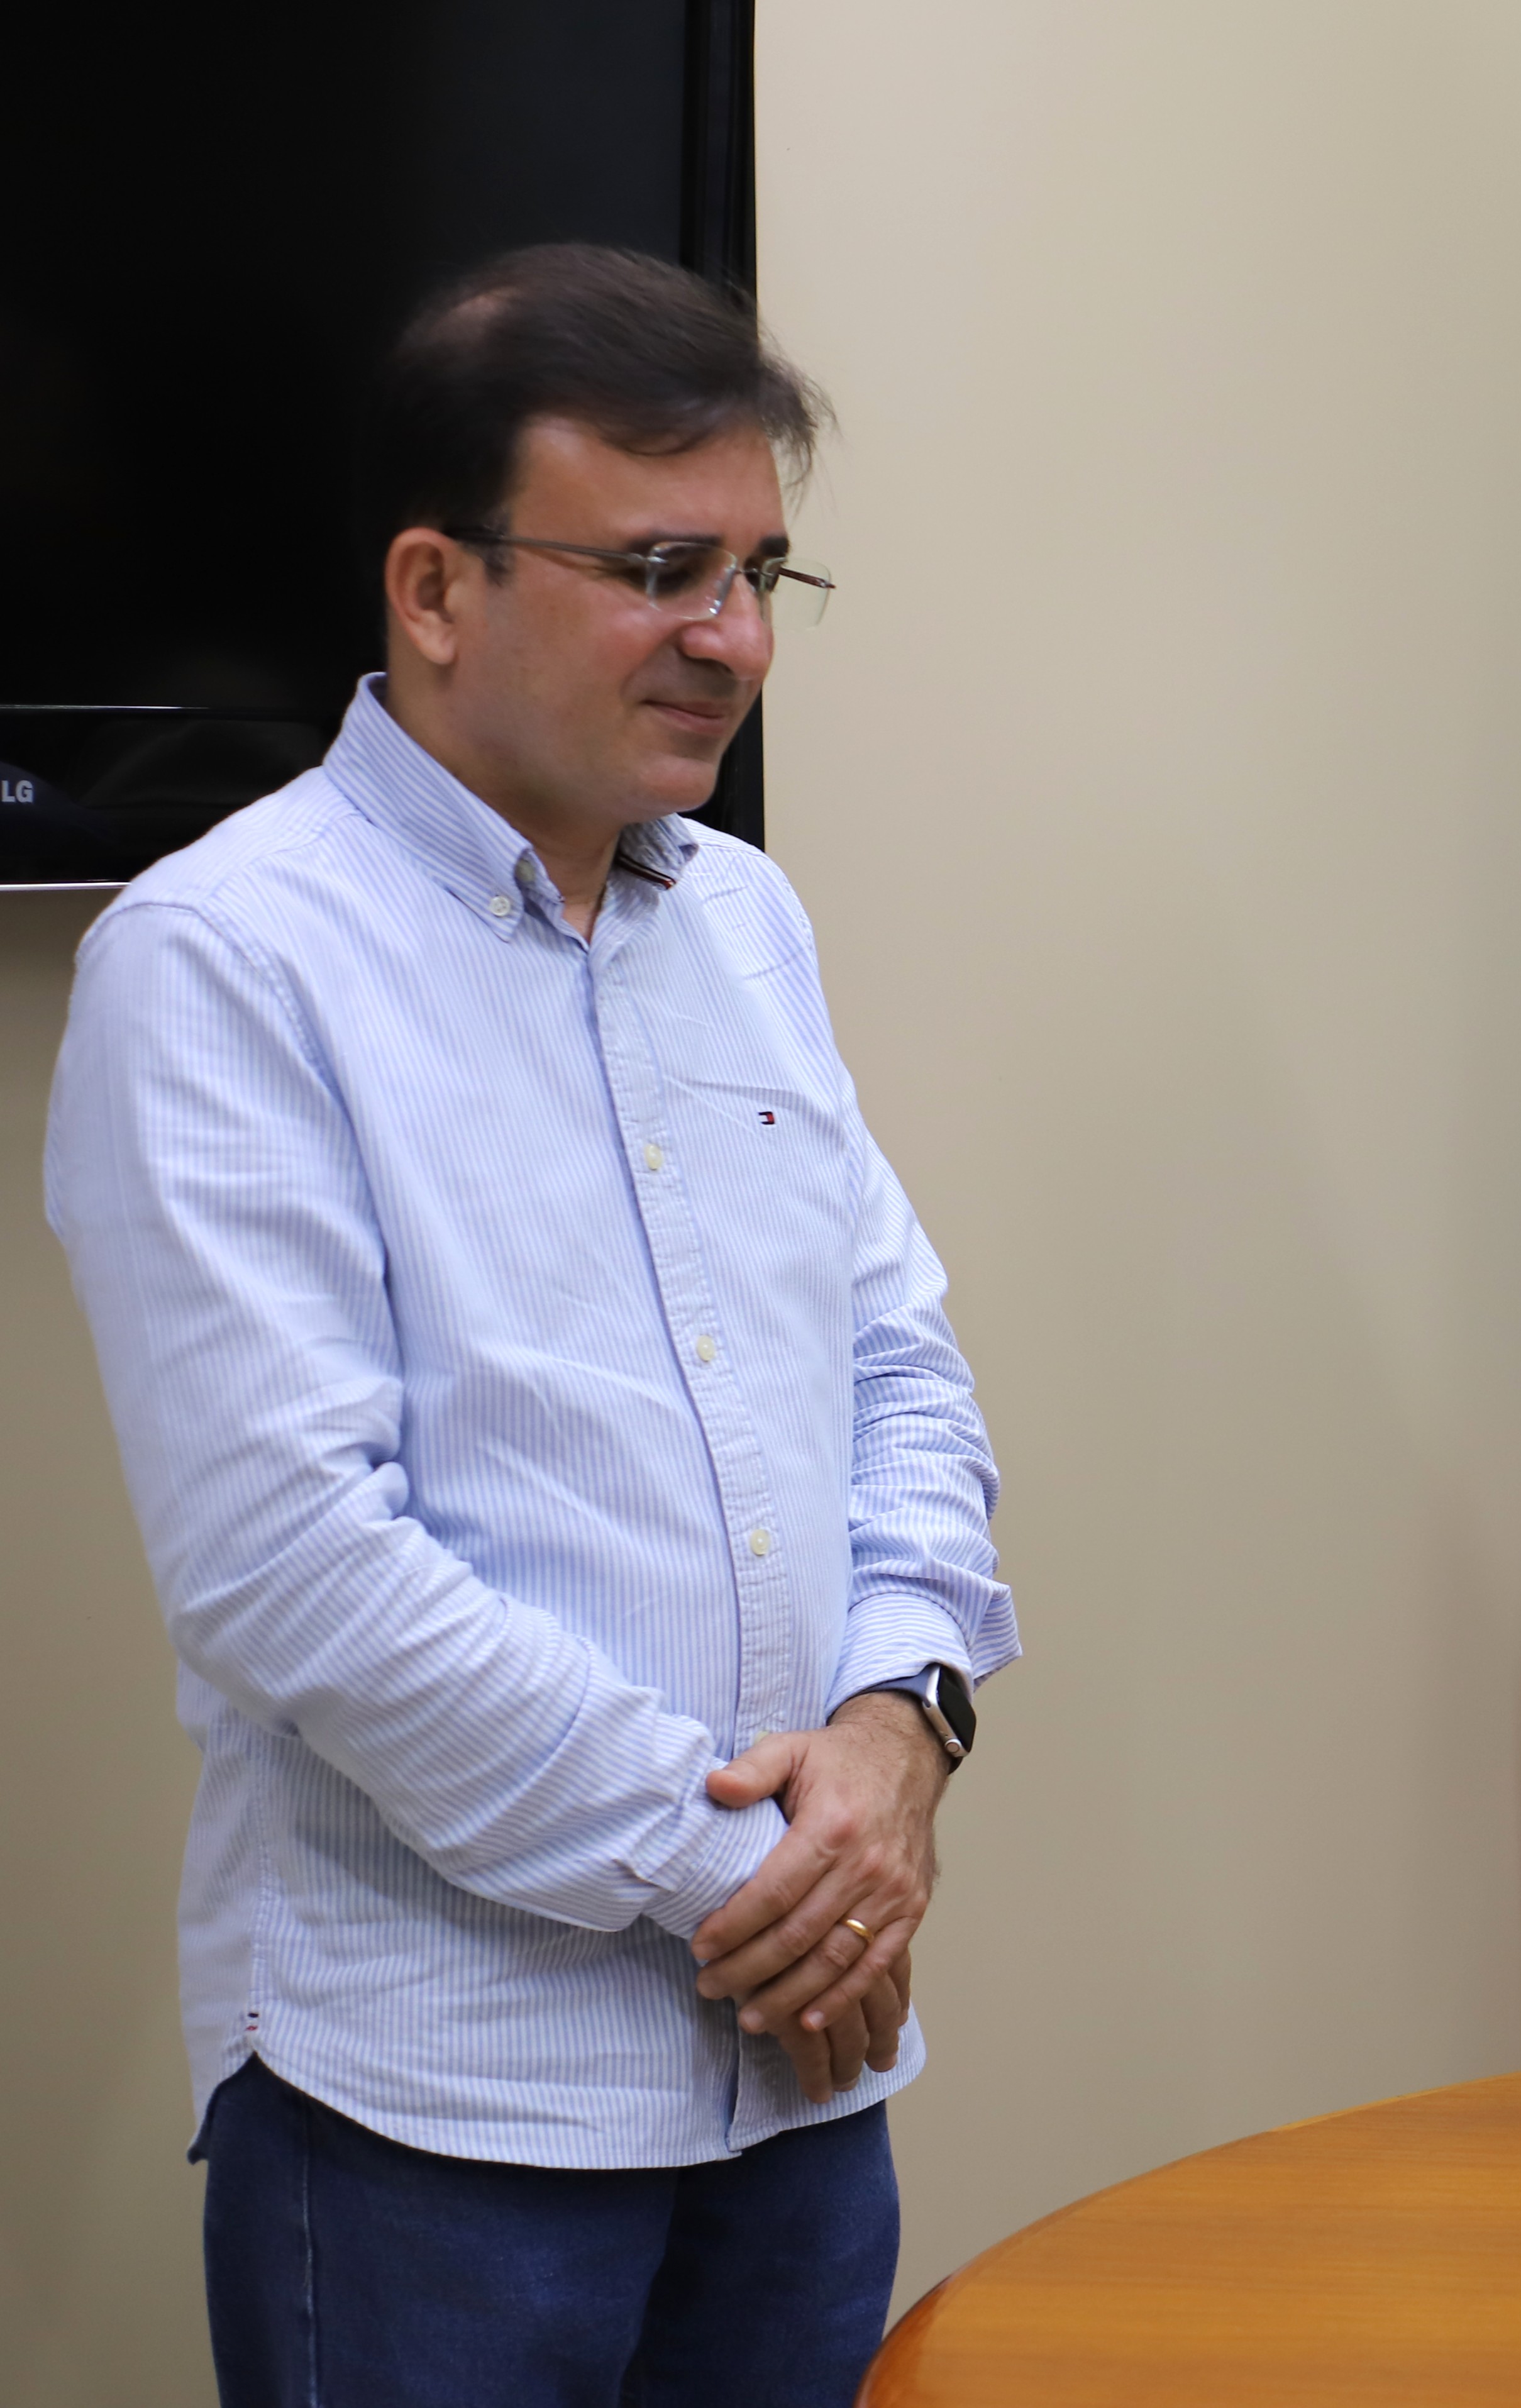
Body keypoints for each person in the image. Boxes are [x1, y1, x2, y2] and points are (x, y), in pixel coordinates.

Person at [45, 245, 1017, 2402]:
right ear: (434, 588)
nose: (736, 637)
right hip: (442, 2113)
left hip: (800, 2097)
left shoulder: (744, 919)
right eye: (661, 569)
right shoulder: (222, 962)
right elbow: (294, 1565)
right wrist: (756, 1879)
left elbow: (899, 1369)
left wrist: (899, 1728)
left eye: (761, 572)